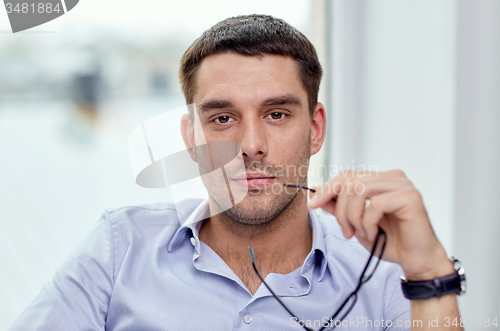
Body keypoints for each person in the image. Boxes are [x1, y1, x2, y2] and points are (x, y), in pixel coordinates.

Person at [9, 14, 464, 330]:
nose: (250, 146)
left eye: (277, 114)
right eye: (223, 119)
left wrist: (429, 273)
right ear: (193, 139)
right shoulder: (119, 249)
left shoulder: (383, 276)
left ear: (315, 128)